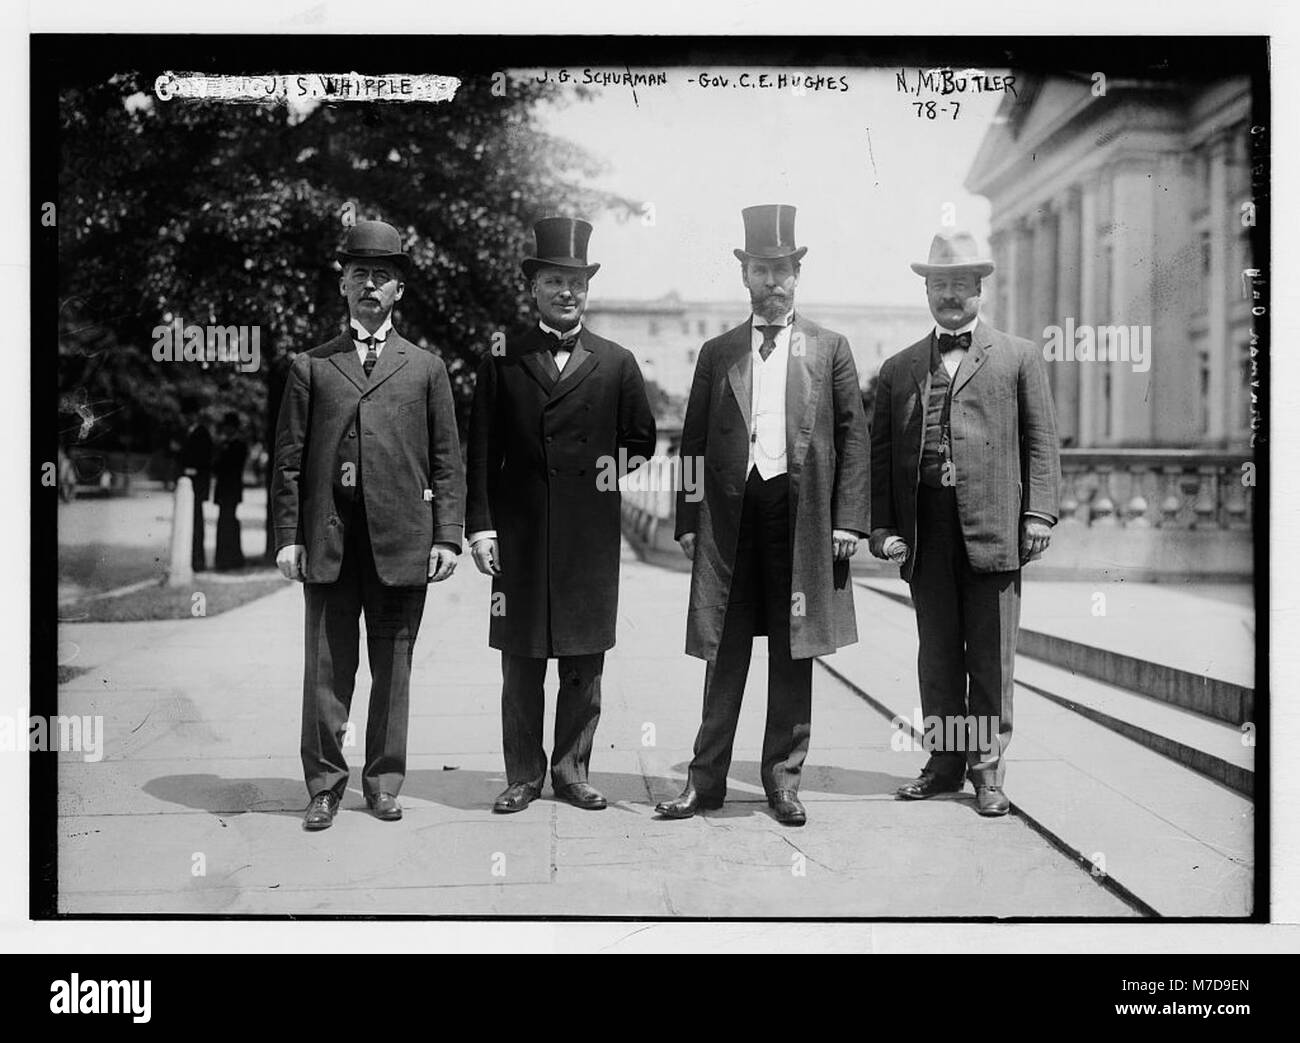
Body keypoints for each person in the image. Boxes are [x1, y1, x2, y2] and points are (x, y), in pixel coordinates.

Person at [656, 204, 870, 827]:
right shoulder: (717, 352)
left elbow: (855, 438)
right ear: (744, 275)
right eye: (761, 271)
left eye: (783, 270)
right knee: (723, 651)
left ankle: (783, 780)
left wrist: (848, 521)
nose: (773, 283)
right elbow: (691, 443)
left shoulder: (830, 349)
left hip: (801, 523)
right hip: (731, 523)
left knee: (793, 651)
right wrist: (689, 522)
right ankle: (706, 781)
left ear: (797, 275)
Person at [272, 219, 465, 831]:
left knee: (394, 670)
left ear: (399, 290)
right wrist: (287, 537)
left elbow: (447, 459)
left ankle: (383, 783)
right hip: (331, 543)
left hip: (402, 544)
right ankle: (325, 786)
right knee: (327, 672)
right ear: (343, 285)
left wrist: (447, 534)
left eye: (383, 276)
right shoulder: (311, 366)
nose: (370, 286)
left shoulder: (426, 368)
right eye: (360, 275)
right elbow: (289, 459)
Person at [868, 231, 1061, 816]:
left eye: (959, 285)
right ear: (926, 291)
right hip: (926, 530)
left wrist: (1039, 512)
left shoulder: (1019, 355)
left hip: (997, 526)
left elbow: (1041, 440)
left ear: (979, 289)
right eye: (939, 285)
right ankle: (944, 762)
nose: (949, 296)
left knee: (992, 656)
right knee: (939, 654)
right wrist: (882, 528)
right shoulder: (899, 367)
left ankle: (987, 770)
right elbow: (880, 456)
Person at [466, 217, 655, 814]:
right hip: (518, 533)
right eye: (553, 280)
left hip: (588, 534)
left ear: (587, 289)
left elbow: (641, 439)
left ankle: (573, 772)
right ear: (534, 288)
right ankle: (523, 774)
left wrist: (596, 475)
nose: (566, 291)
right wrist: (481, 526)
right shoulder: (502, 355)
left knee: (582, 658)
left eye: (576, 281)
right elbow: (480, 448)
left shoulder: (617, 361)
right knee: (520, 658)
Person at [179, 398, 212, 572]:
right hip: (187, 483)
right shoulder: (187, 433)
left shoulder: (202, 433)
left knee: (197, 524)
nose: (187, 418)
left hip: (197, 484)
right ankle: (189, 559)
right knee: (186, 524)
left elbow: (206, 460)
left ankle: (198, 560)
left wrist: (193, 469)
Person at [212, 411, 248, 571]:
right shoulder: (225, 444)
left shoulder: (238, 445)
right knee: (224, 522)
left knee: (228, 522)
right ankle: (225, 558)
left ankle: (231, 558)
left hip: (231, 489)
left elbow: (228, 467)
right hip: (225, 489)